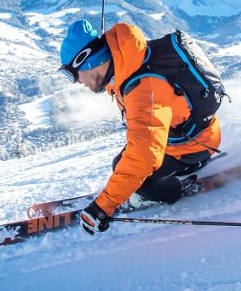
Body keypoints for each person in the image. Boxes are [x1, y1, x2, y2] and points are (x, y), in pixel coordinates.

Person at [57, 19, 222, 236]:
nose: (77, 82)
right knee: (120, 165)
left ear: (87, 61)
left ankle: (178, 188)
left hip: (192, 146)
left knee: (140, 179)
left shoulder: (144, 87)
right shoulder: (126, 66)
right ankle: (141, 185)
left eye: (72, 74)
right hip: (177, 139)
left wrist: (103, 207)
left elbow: (143, 156)